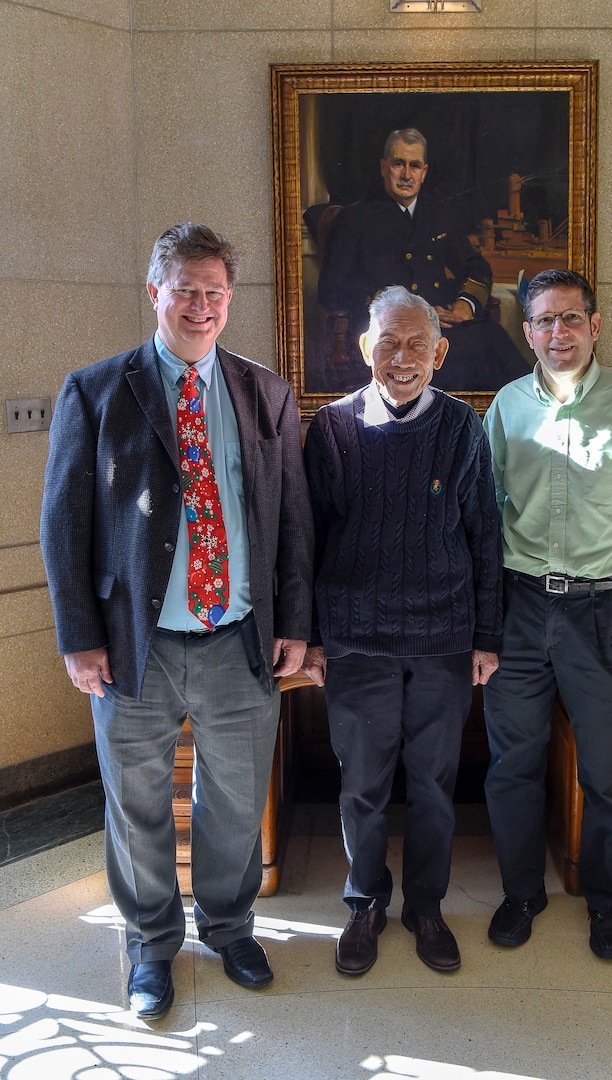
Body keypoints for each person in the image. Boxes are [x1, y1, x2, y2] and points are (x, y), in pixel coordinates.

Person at [40, 223, 314, 1019]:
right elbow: (63, 524)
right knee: (137, 803)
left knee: (234, 799)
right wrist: (78, 636)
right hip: (134, 648)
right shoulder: (96, 390)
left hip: (239, 639)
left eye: (215, 293)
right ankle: (150, 947)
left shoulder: (265, 393)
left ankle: (230, 928)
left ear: (231, 300)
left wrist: (293, 620)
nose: (200, 306)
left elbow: (290, 516)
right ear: (154, 290)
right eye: (186, 290)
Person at [302, 285, 502, 976]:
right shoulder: (330, 429)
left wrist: (488, 636)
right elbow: (312, 538)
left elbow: (484, 534)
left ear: (441, 353)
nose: (402, 355)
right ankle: (365, 903)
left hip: (444, 636)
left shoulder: (459, 427)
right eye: (388, 340)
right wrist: (314, 636)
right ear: (365, 348)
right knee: (362, 782)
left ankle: (426, 904)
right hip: (356, 635)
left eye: (418, 342)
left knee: (433, 781)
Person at [482, 268, 612, 960]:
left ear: (595, 325)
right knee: (513, 765)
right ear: (526, 330)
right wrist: (483, 620)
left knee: (604, 770)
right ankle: (521, 893)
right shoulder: (505, 407)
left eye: (570, 319)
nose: (556, 333)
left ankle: (604, 901)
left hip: (603, 610)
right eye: (542, 321)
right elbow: (486, 516)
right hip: (519, 608)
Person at [317, 128, 530, 392]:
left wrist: (465, 304)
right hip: (389, 335)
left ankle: (530, 412)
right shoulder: (355, 219)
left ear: (424, 172)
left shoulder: (440, 215)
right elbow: (332, 289)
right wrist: (418, 314)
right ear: (384, 167)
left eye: (414, 166)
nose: (407, 175)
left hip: (442, 328)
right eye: (399, 164)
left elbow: (476, 266)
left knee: (490, 338)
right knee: (468, 356)